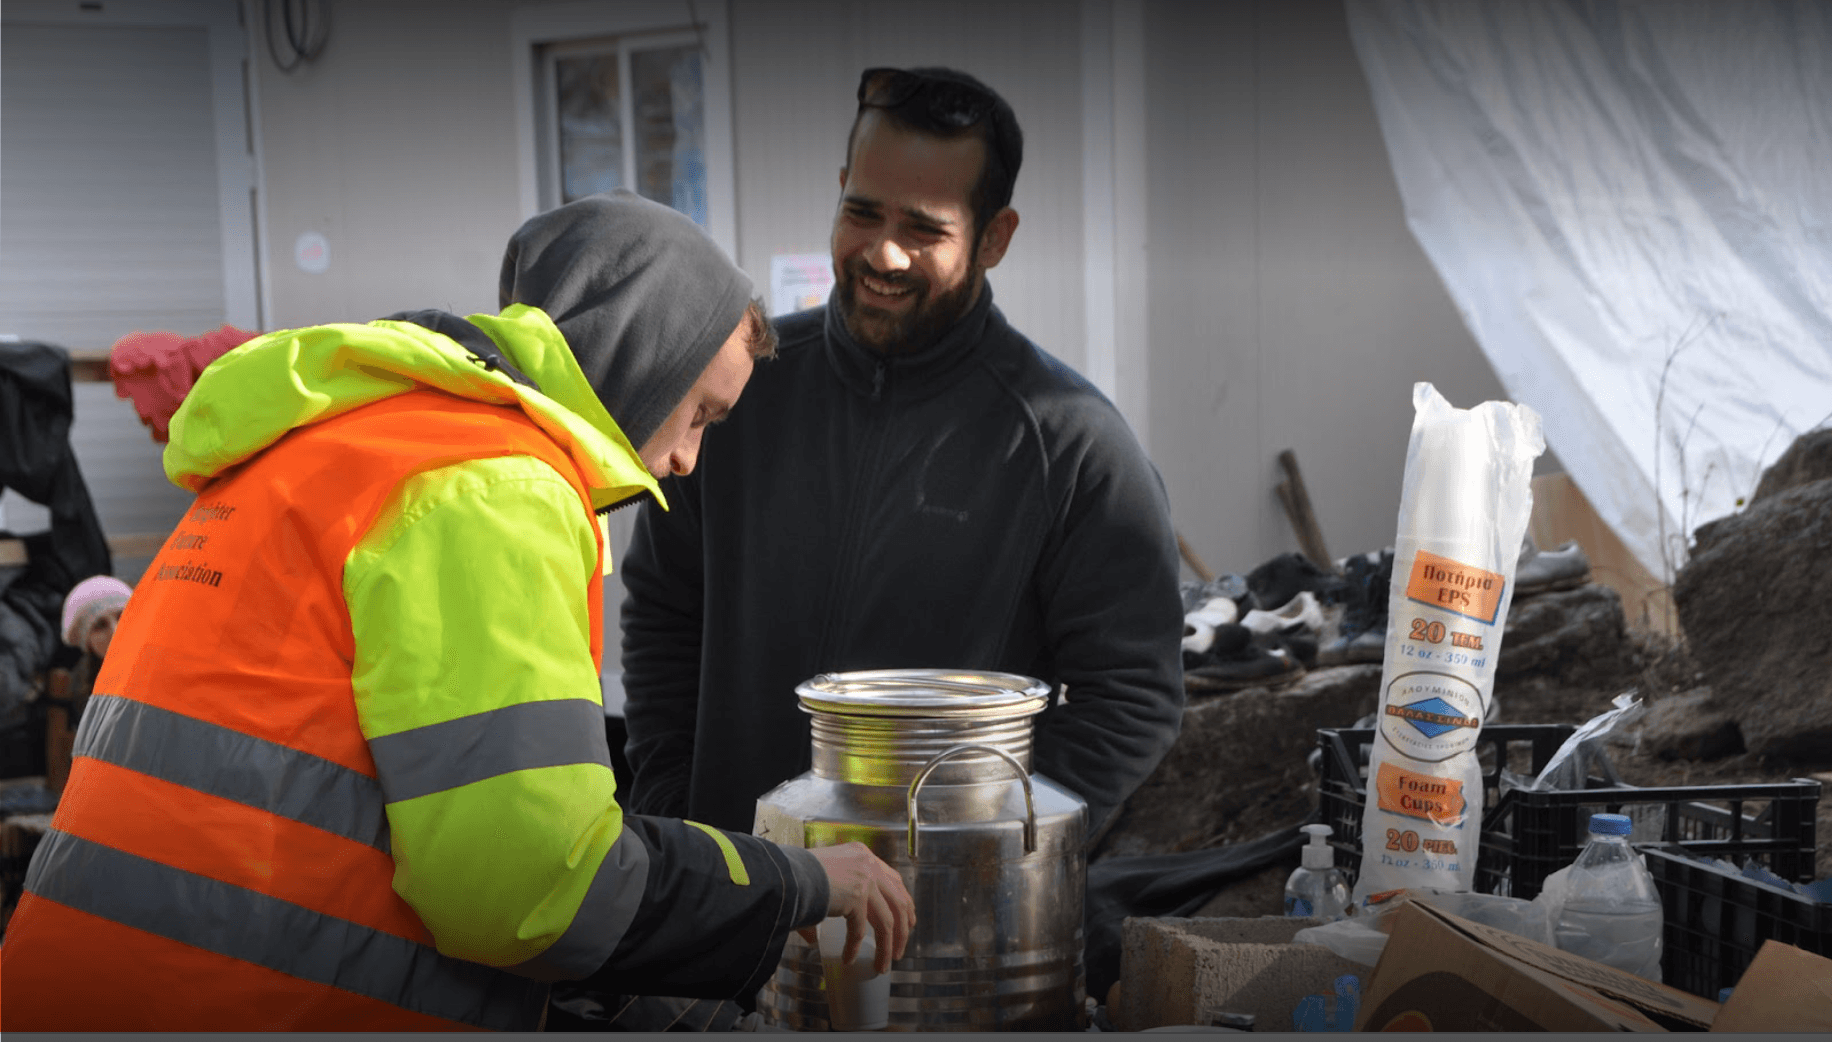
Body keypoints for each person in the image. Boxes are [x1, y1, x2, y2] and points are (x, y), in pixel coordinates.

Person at [0, 191, 913, 1031]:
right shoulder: (492, 490)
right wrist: (796, 881)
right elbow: (530, 892)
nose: (686, 463)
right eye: (702, 416)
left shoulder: (337, 441)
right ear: (642, 361)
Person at [619, 68, 1186, 843]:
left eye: (924, 228)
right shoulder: (736, 393)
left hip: (940, 943)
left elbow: (1133, 697)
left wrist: (983, 859)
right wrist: (675, 810)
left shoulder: (1071, 445)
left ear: (995, 237)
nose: (883, 253)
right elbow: (662, 610)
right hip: (730, 900)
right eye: (862, 212)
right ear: (841, 188)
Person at [57, 573, 133, 726]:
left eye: (122, 616)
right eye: (100, 626)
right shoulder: (84, 697)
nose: (115, 630)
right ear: (88, 644)